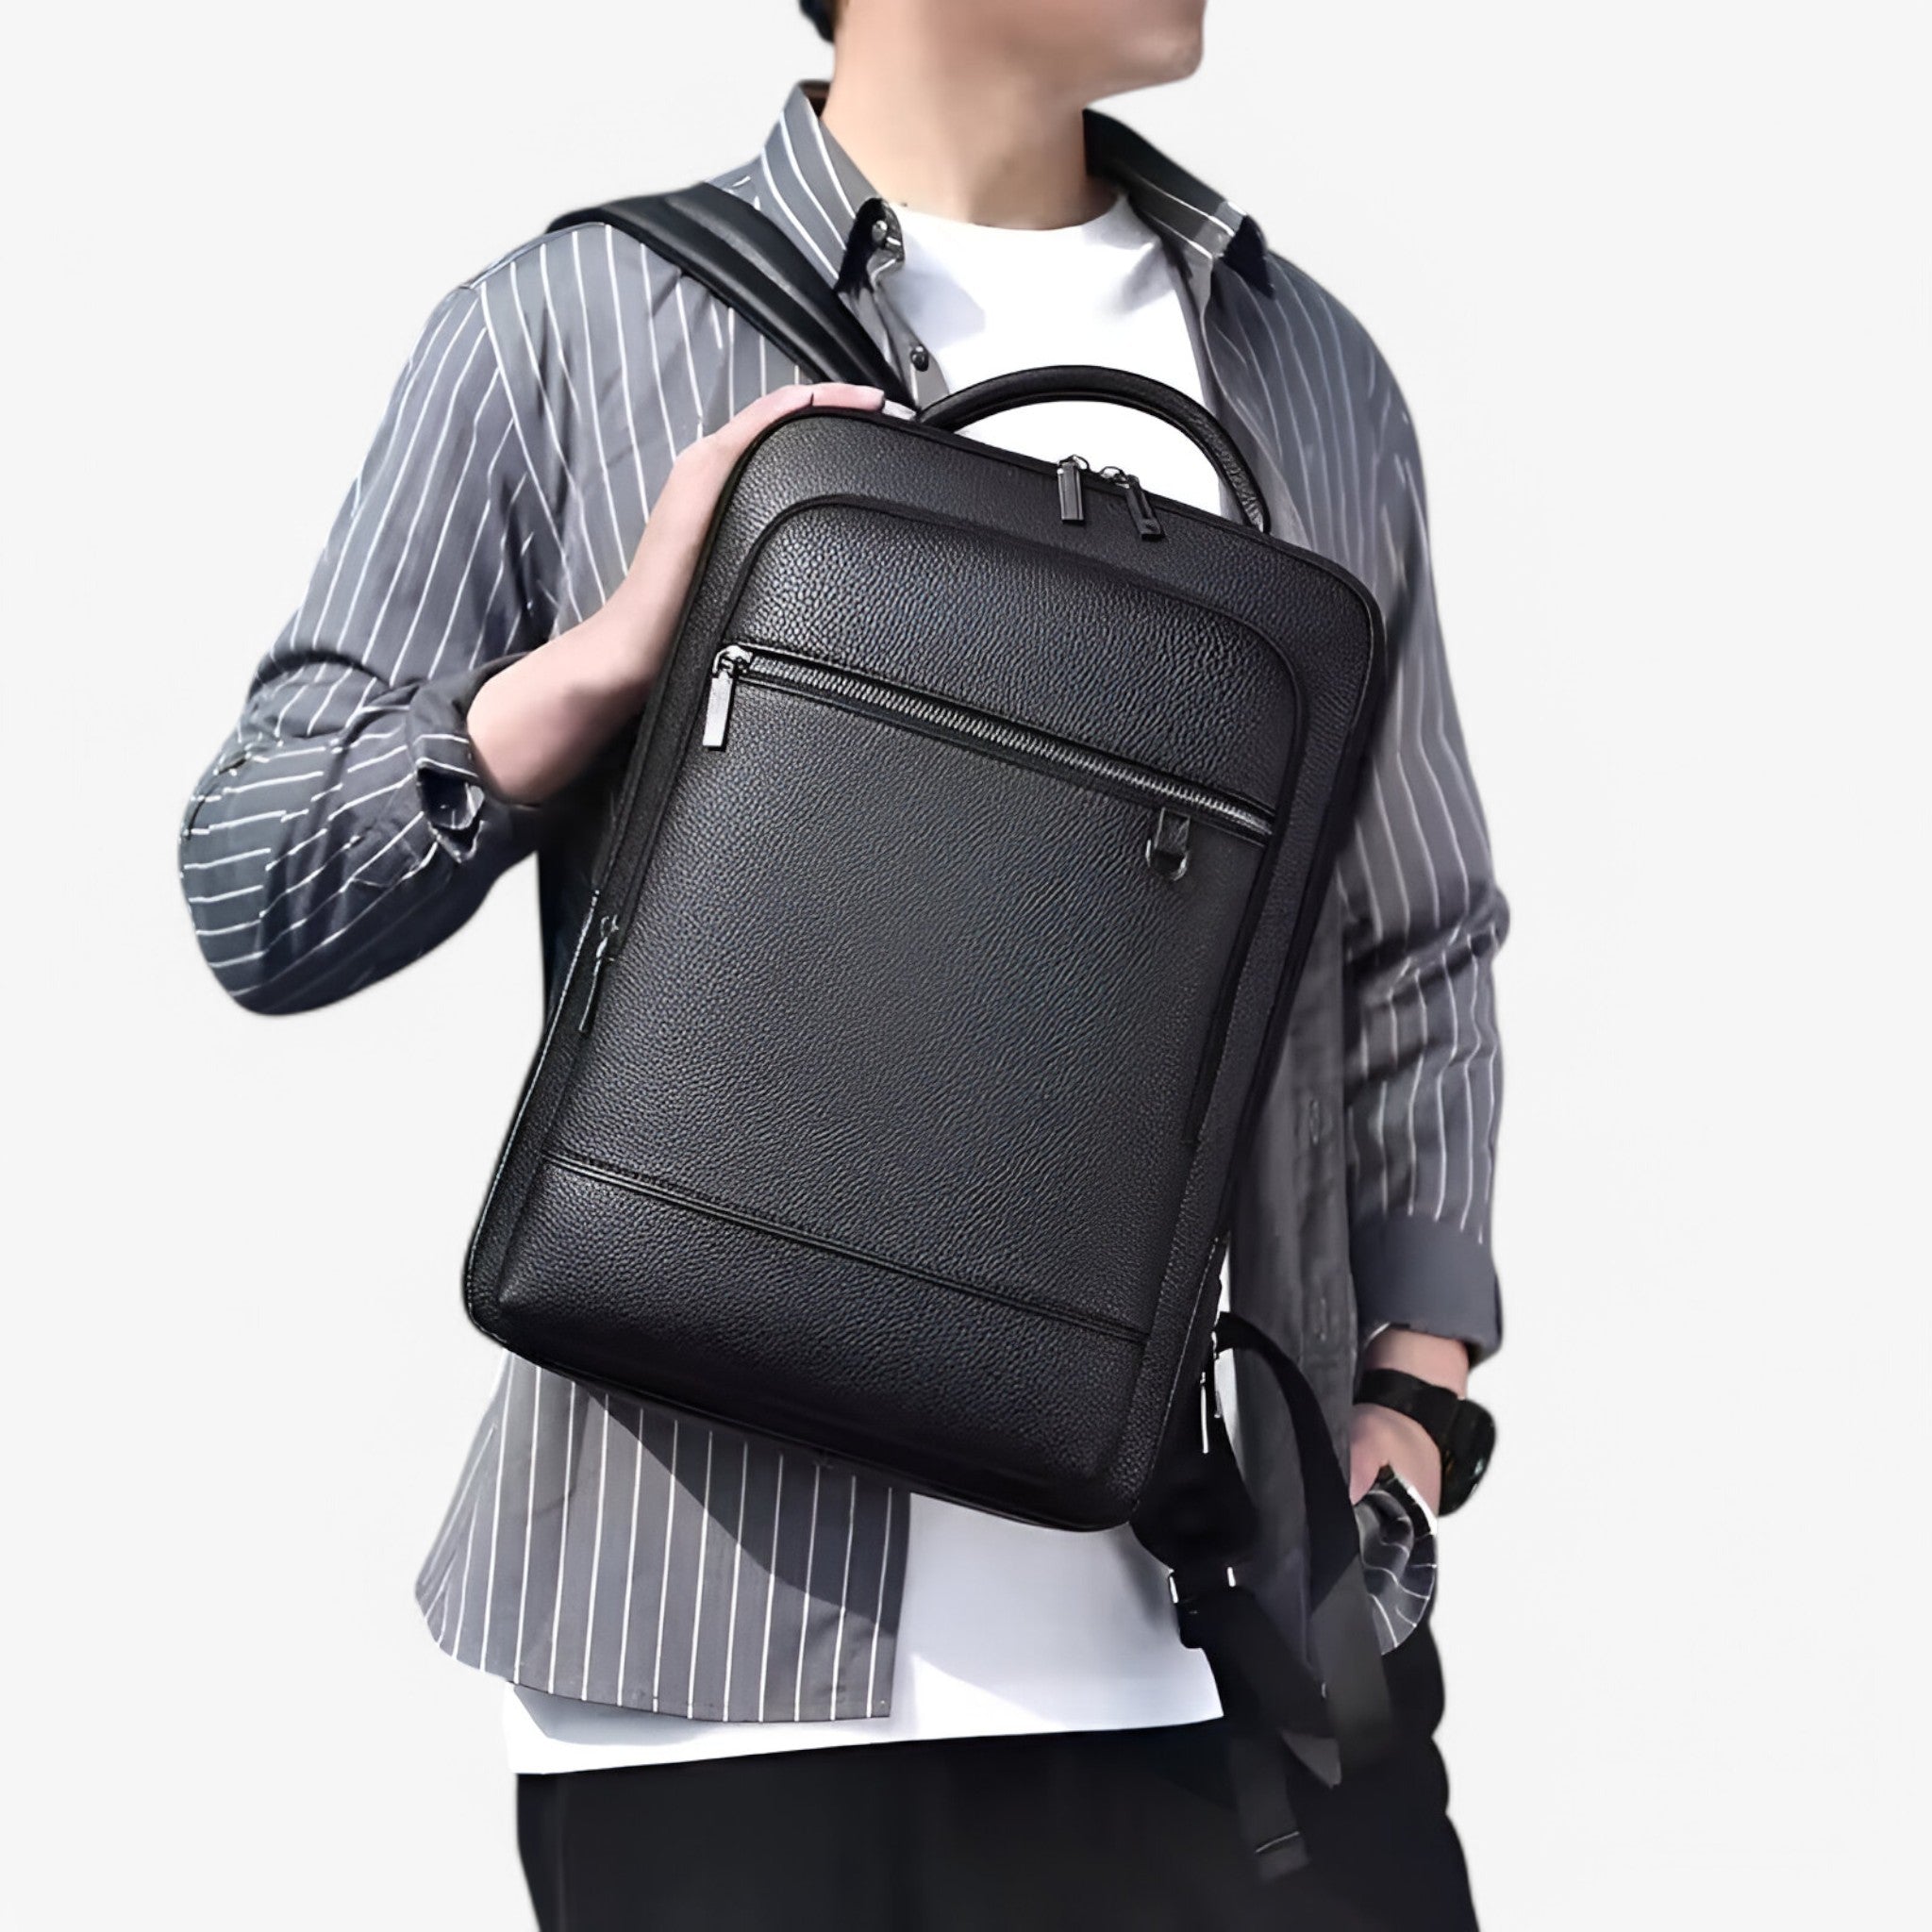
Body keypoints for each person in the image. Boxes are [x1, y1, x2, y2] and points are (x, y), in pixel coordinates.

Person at [176, 1, 1510, 1924]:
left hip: (1244, 1672)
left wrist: (1413, 1404)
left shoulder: (1305, 371)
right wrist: (611, 656)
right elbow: (259, 886)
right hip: (716, 1702)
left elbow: (1415, 930)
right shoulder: (569, 328)